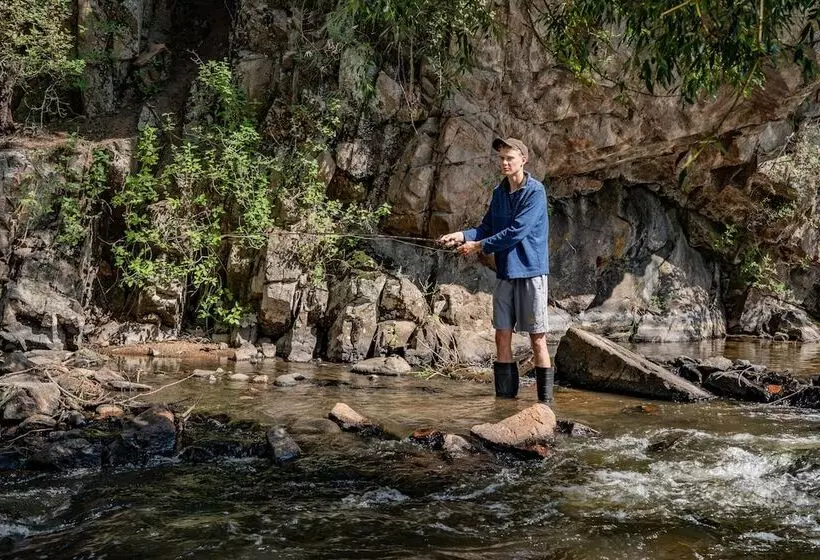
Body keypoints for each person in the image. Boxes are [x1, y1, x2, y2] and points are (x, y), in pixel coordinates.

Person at [438, 137, 553, 403]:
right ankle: (504, 404)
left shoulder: (536, 192)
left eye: (509, 157)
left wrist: (478, 246)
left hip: (531, 272)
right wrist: (461, 235)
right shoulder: (499, 193)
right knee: (502, 335)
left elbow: (516, 232)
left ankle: (545, 405)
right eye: (501, 158)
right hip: (505, 273)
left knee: (537, 339)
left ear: (523, 160)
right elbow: (486, 227)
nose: (504, 162)